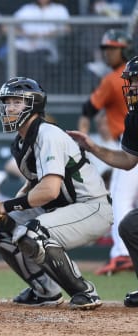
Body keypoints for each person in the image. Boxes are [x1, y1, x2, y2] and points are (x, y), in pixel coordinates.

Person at [0, 77, 113, 310]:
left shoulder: (47, 134)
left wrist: (6, 205)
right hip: (64, 207)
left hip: (92, 207)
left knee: (34, 233)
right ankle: (45, 290)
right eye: (7, 102)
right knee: (0, 224)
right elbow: (33, 186)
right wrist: (2, 208)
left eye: (17, 102)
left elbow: (49, 190)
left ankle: (84, 291)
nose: (9, 107)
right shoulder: (21, 141)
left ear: (34, 105)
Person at [68, 55, 138, 307]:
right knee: (130, 225)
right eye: (130, 82)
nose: (131, 87)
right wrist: (93, 147)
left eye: (136, 81)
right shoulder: (134, 118)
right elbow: (128, 160)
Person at [79, 28, 136, 276]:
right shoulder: (119, 81)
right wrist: (89, 143)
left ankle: (122, 254)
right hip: (127, 144)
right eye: (106, 49)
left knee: (121, 199)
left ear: (124, 49)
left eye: (113, 48)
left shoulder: (112, 79)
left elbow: (87, 109)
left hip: (128, 143)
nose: (108, 53)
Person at [10, 0, 71, 87]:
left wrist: (51, 34)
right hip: (24, 46)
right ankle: (16, 89)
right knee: (15, 56)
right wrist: (26, 34)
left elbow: (67, 29)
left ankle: (34, 90)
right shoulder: (26, 9)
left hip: (47, 47)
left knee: (34, 59)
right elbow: (6, 27)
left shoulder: (59, 9)